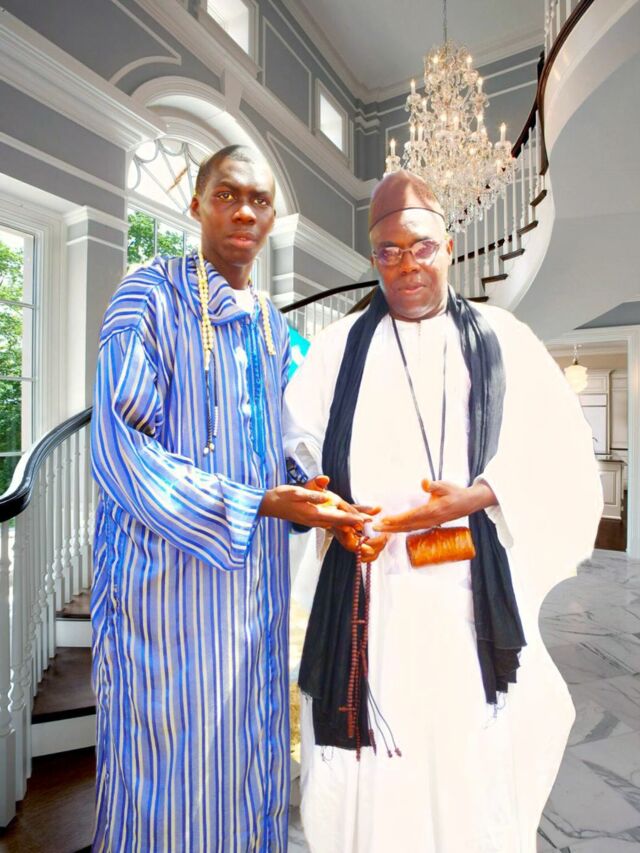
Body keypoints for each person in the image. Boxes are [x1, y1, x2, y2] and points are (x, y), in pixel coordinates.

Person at [283, 169, 603, 853]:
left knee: (464, 757)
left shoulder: (502, 336)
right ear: (374, 257)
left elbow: (560, 445)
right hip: (369, 595)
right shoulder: (337, 347)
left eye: (421, 246)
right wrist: (334, 513)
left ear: (450, 247)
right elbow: (296, 447)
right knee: (371, 766)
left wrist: (478, 495)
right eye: (389, 251)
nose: (407, 265)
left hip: (464, 589)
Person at [90, 144, 365, 852]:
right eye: (227, 195)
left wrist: (317, 494)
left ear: (272, 218)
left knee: (248, 773)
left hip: (254, 602)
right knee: (165, 787)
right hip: (166, 606)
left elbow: (291, 443)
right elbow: (119, 450)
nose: (245, 211)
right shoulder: (149, 295)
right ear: (197, 204)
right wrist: (259, 505)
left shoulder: (274, 327)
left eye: (260, 200)